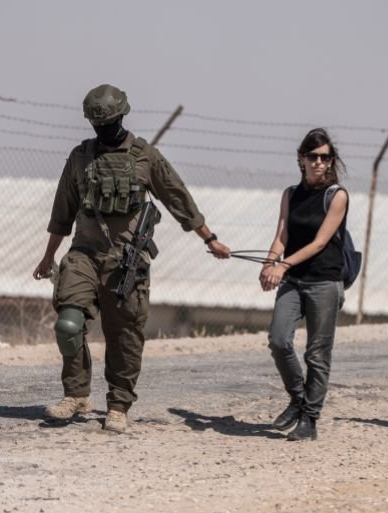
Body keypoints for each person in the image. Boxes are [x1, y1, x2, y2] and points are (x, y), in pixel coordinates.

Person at [32, 84, 230, 433]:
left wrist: (210, 239)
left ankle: (119, 404)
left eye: (108, 121)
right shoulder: (81, 157)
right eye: (97, 123)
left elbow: (178, 198)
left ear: (122, 116)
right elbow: (62, 211)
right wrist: (49, 256)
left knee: (124, 335)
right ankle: (76, 394)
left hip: (125, 260)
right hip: (83, 254)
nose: (103, 129)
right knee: (68, 323)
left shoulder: (144, 156)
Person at [259, 128, 348, 441]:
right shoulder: (290, 194)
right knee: (279, 339)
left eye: (325, 157)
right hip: (294, 280)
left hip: (324, 281)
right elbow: (282, 235)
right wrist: (270, 263)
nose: (319, 163)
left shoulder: (336, 196)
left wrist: (282, 265)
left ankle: (310, 418)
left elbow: (321, 242)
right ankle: (298, 397)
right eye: (313, 157)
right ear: (301, 158)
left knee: (317, 353)